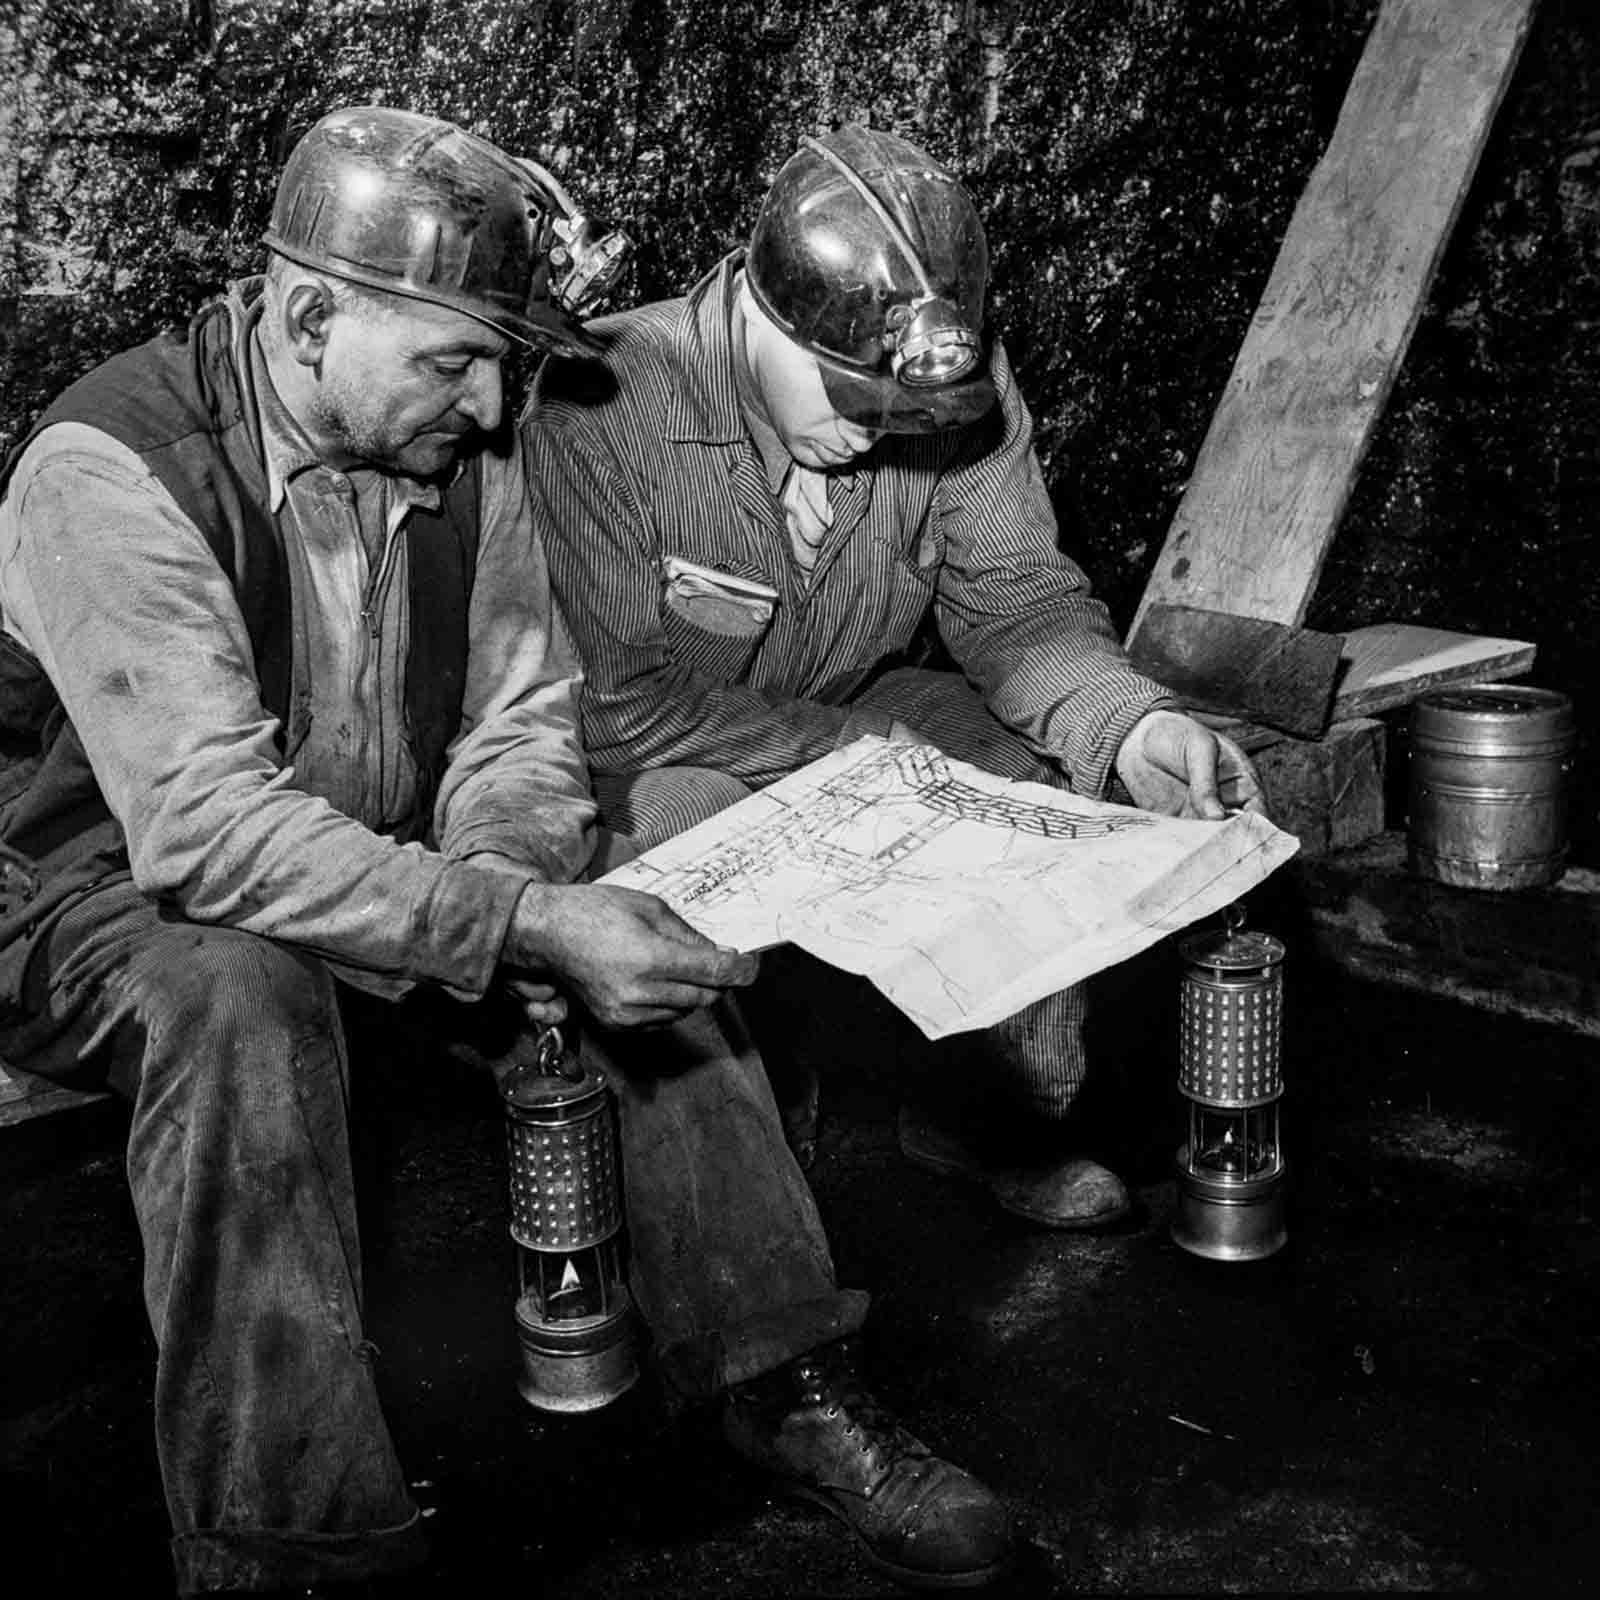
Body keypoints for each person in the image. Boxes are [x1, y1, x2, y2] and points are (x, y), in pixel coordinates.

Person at [0, 108, 1015, 1596]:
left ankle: (786, 1379)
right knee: (239, 1002)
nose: (490, 408)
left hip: (379, 862)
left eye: (502, 364)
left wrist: (524, 883)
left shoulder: (464, 455)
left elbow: (521, 722)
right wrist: (513, 927)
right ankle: (295, 1547)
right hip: (92, 900)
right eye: (455, 360)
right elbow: (204, 837)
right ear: (306, 314)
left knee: (636, 923)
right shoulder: (111, 468)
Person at [521, 123, 1265, 1229]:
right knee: (679, 827)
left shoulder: (959, 383)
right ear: (758, 315)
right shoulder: (603, 401)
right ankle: (738, 1196)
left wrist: (1132, 723)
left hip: (859, 694)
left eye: (899, 408)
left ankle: (986, 1115)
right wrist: (843, 755)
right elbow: (622, 702)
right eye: (844, 393)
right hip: (667, 744)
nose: (876, 433)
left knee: (1026, 771)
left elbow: (1016, 602)